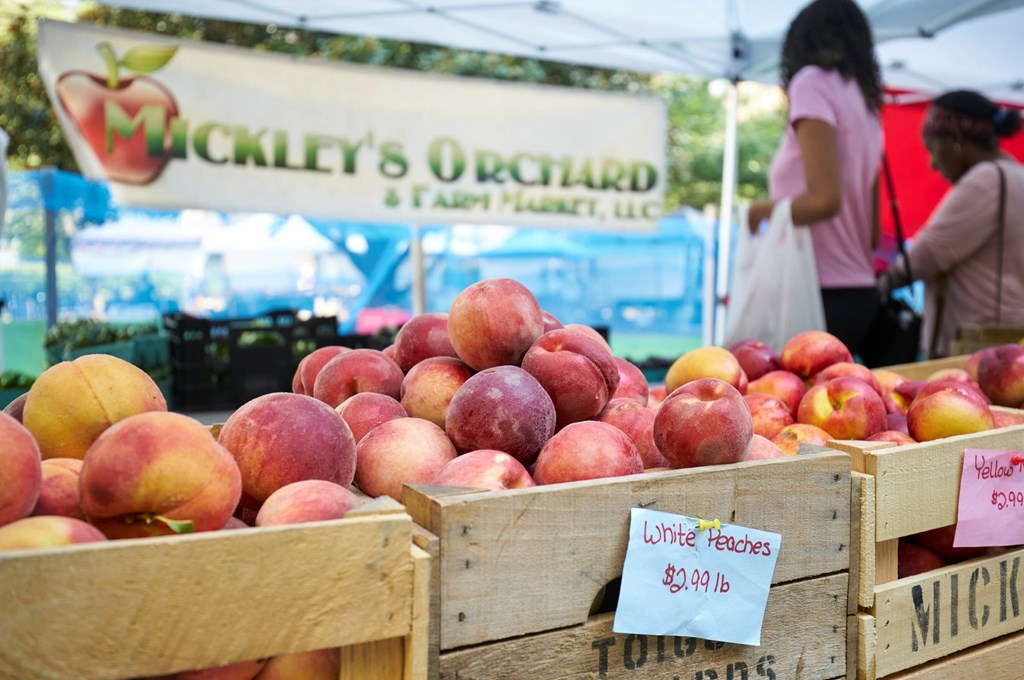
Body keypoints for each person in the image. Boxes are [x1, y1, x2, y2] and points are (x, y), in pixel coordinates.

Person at [747, 0, 884, 355]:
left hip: (815, 292)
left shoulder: (812, 83)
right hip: (859, 292)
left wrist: (760, 210)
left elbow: (825, 200)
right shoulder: (865, 103)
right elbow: (871, 232)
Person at [879, 91, 1024, 358]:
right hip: (1011, 342)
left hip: (973, 349)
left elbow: (926, 255)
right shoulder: (1017, 175)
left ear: (956, 140)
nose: (933, 163)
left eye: (932, 149)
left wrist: (882, 284)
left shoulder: (987, 179)